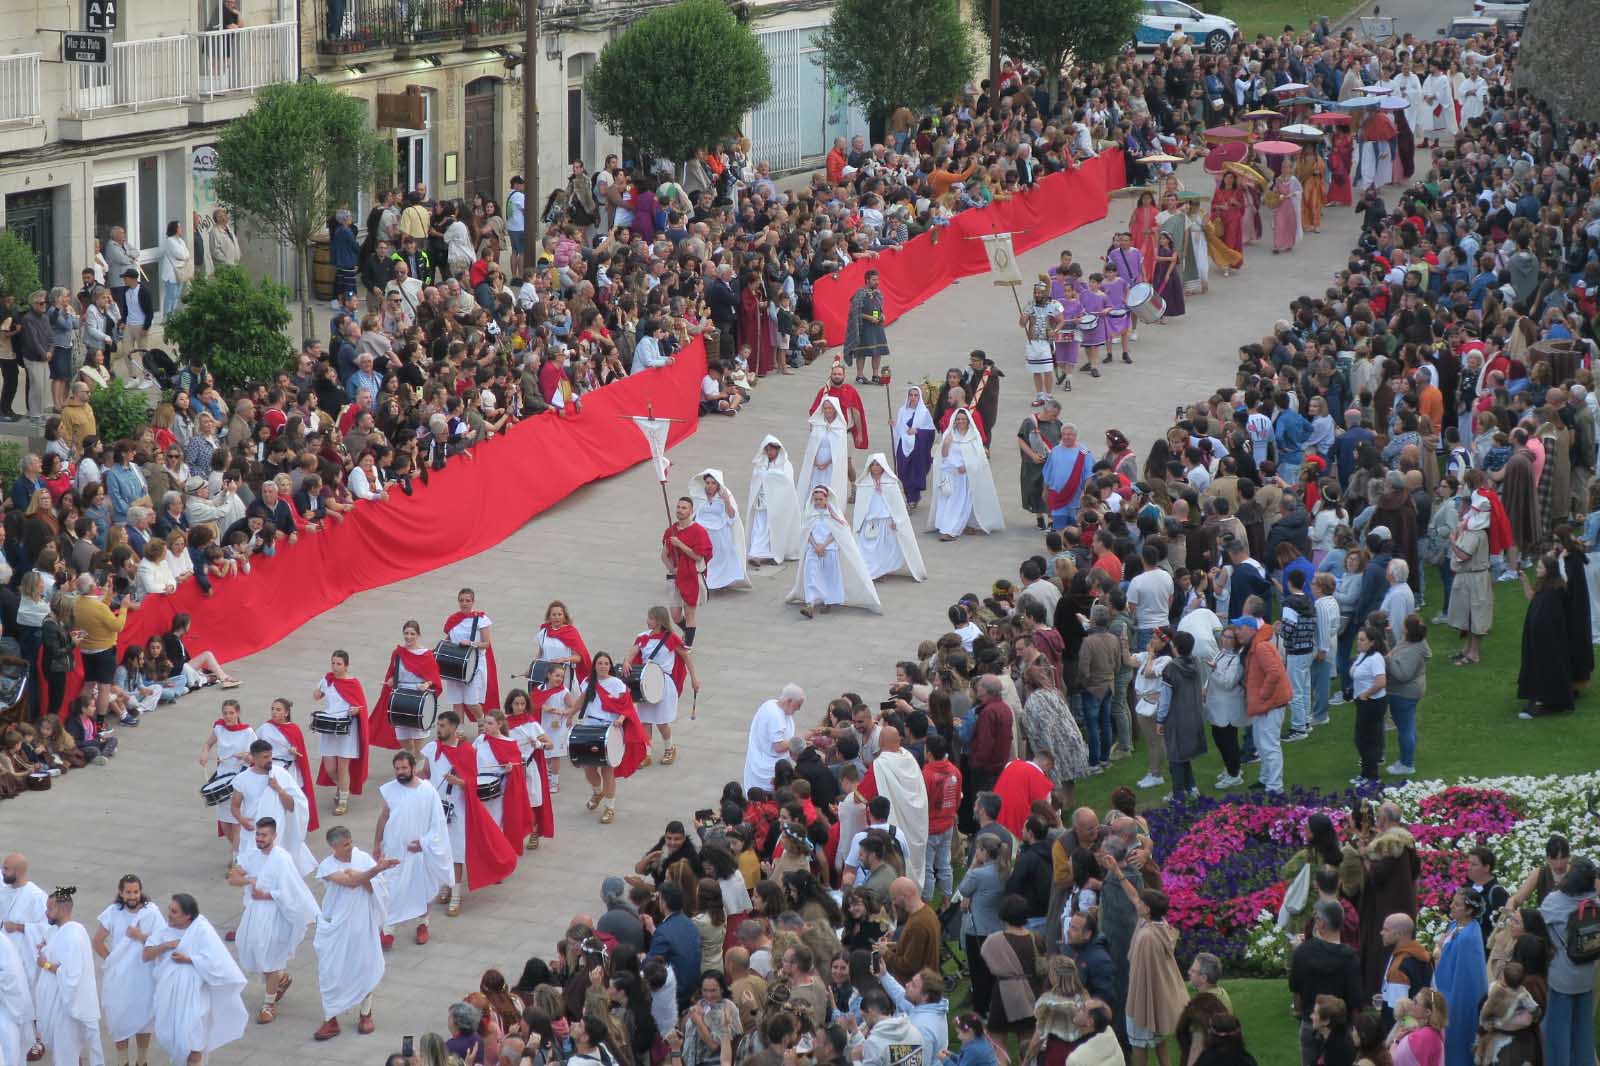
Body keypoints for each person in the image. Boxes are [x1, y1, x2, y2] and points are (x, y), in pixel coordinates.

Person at [312, 825, 398, 1040]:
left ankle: (366, 1014)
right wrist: (372, 872)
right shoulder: (327, 865)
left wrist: (365, 875)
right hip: (336, 926)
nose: (350, 848)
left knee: (365, 967)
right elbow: (350, 883)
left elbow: (373, 888)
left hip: (361, 925)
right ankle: (330, 1019)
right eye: (345, 845)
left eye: (350, 842)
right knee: (331, 971)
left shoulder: (362, 858)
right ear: (334, 847)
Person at [144, 893, 248, 1066]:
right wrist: (166, 945)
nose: (169, 914)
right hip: (169, 998)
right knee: (174, 1040)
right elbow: (146, 955)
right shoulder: (162, 931)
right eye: (170, 909)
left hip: (196, 998)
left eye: (174, 912)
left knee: (194, 1044)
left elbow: (218, 963)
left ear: (188, 916)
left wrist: (190, 959)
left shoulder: (202, 930)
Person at [373, 749, 452, 949]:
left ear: (413, 768)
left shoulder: (427, 791)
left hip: (419, 851)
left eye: (404, 768)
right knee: (392, 887)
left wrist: (425, 843)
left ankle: (422, 924)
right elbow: (384, 817)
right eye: (397, 768)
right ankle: (388, 929)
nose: (400, 772)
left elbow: (438, 823)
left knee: (423, 889)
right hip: (395, 849)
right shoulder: (390, 790)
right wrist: (377, 843)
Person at [569, 651, 649, 824]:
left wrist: (620, 720)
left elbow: (627, 707)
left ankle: (610, 807)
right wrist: (568, 715)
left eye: (606, 663)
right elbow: (580, 701)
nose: (603, 666)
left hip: (610, 729)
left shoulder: (617, 684)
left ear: (610, 666)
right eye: (600, 663)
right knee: (589, 769)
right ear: (595, 666)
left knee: (607, 771)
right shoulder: (587, 682)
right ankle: (598, 792)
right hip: (590, 727)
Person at [93, 874, 163, 1066]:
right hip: (119, 977)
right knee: (118, 1017)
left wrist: (139, 936)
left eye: (135, 892)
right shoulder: (113, 911)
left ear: (141, 892)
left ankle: (142, 1060)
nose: (132, 896)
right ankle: (122, 1061)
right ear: (121, 893)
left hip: (144, 974)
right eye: (128, 892)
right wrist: (113, 961)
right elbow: (97, 941)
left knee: (144, 1018)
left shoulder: (152, 913)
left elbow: (162, 942)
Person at [32, 885, 103, 1066]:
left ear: (63, 910)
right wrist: (45, 948)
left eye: (50, 909)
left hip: (67, 1008)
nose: (46, 913)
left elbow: (71, 974)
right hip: (59, 1005)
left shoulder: (73, 934)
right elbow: (51, 946)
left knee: (66, 1056)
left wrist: (45, 964)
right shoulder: (58, 930)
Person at [621, 605, 700, 767]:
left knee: (661, 721)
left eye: (650, 618)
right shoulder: (643, 637)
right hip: (645, 683)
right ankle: (646, 753)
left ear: (658, 620)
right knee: (645, 720)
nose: (647, 620)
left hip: (663, 682)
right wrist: (627, 662)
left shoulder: (671, 638)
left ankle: (669, 747)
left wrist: (694, 678)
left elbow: (686, 657)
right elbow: (633, 652)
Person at [1539, 857, 1598, 1066]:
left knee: (1558, 1035)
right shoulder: (1594, 900)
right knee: (1583, 1032)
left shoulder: (1554, 901)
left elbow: (1538, 926)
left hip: (1561, 977)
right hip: (1587, 975)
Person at [1289, 899, 1363, 1066]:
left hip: (1311, 1023)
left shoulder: (1302, 952)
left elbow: (1296, 992)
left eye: (1316, 919)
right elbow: (1356, 1000)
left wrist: (1301, 1014)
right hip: (1340, 1031)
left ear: (1321, 923)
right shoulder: (1350, 958)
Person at [789, 486, 882, 618]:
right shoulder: (810, 513)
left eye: (820, 499)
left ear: (827, 499)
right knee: (810, 574)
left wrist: (824, 546)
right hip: (813, 549)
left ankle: (829, 601)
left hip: (829, 549)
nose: (817, 502)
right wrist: (815, 546)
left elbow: (837, 532)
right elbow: (806, 533)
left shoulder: (834, 514)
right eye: (815, 500)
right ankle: (810, 603)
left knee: (829, 576)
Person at [230, 736, 316, 876]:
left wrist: (279, 789)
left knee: (277, 873)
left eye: (270, 756)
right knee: (254, 873)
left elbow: (293, 806)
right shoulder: (242, 780)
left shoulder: (281, 774)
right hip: (253, 832)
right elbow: (234, 806)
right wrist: (241, 820)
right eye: (265, 757)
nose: (269, 760)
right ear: (253, 758)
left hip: (277, 832)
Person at [368, 620, 445, 756]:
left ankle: (417, 763)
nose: (408, 637)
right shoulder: (398, 653)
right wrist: (391, 681)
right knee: (402, 738)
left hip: (418, 697)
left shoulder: (426, 655)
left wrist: (426, 684)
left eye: (412, 634)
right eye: (406, 633)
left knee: (418, 739)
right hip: (401, 698)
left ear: (418, 635)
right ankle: (412, 756)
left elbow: (434, 678)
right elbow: (393, 673)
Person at [929, 409, 1005, 541]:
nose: (960, 421)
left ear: (968, 421)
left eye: (963, 419)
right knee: (951, 503)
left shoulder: (973, 436)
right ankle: (948, 528)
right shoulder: (949, 434)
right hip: (951, 475)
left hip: (967, 476)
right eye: (958, 419)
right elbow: (943, 457)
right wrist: (946, 444)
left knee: (964, 503)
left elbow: (979, 457)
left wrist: (967, 466)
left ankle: (956, 528)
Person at [1431, 888, 1487, 1066]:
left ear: (1469, 910)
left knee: (1456, 1042)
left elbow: (1465, 979)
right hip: (1443, 986)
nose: (1452, 906)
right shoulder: (1454, 925)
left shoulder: (1468, 937)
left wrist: (1449, 1004)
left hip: (1456, 997)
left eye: (1457, 904)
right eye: (1452, 902)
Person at [312, 649, 371, 816]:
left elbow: (361, 707)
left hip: (346, 729)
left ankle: (343, 800)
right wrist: (319, 690)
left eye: (339, 664)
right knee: (330, 767)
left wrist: (355, 711)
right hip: (329, 727)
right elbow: (317, 696)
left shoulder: (353, 683)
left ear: (346, 666)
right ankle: (344, 788)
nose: (335, 667)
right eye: (333, 663)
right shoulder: (327, 680)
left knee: (343, 766)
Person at [1517, 553, 1576, 717]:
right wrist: (1525, 581)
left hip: (1549, 639)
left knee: (1546, 668)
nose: (1537, 569)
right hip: (1541, 637)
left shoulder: (1554, 590)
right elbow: (1533, 599)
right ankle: (1547, 699)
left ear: (1549, 570)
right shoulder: (1546, 585)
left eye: (1540, 567)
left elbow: (1552, 617)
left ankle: (1542, 702)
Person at [852, 455, 927, 581]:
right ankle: (871, 572)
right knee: (868, 549)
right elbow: (860, 507)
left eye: (878, 464)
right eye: (873, 464)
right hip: (870, 522)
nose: (875, 467)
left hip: (886, 520)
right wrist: (860, 522)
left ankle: (881, 571)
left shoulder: (890, 483)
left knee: (885, 549)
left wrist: (895, 519)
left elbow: (896, 505)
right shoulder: (864, 484)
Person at [662, 497, 713, 647]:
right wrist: (672, 569)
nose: (680, 510)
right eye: (678, 507)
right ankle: (687, 630)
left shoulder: (699, 532)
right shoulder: (671, 530)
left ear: (691, 511)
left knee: (690, 612)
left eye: (684, 508)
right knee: (675, 615)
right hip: (676, 577)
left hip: (692, 577)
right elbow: (664, 555)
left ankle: (688, 645)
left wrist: (680, 545)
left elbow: (698, 556)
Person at [442, 587, 498, 722]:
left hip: (474, 664)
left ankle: (482, 722)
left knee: (471, 701)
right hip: (455, 665)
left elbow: (486, 643)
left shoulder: (481, 619)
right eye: (461, 600)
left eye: (467, 600)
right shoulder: (453, 620)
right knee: (457, 701)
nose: (464, 603)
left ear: (473, 602)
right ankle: (459, 732)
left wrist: (471, 643)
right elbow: (448, 640)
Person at [746, 435, 803, 568]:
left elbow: (787, 483)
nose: (769, 453)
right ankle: (757, 554)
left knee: (772, 529)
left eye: (772, 450)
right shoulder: (761, 463)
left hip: (777, 503)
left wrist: (771, 477)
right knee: (759, 527)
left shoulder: (785, 465)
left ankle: (768, 554)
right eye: (767, 450)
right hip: (762, 502)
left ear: (778, 450)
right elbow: (756, 478)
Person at [690, 469, 750, 592]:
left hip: (720, 535)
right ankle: (706, 583)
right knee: (705, 561)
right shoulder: (699, 497)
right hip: (703, 535)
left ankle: (719, 583)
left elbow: (732, 517)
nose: (710, 486)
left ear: (718, 485)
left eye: (713, 483)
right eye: (707, 482)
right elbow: (693, 515)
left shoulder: (725, 496)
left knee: (720, 561)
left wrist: (726, 501)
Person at [742, 684, 805, 792]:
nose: (798, 709)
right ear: (789, 701)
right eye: (798, 705)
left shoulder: (770, 704)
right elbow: (778, 746)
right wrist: (799, 740)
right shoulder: (776, 717)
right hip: (768, 766)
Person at [800, 395, 853, 505]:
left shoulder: (840, 427)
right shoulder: (817, 424)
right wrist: (814, 461)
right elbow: (812, 446)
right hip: (817, 462)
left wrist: (827, 463)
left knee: (829, 483)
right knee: (815, 482)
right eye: (825, 408)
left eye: (830, 408)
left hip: (831, 463)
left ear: (835, 409)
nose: (828, 410)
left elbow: (840, 450)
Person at [1041, 423, 1093, 529]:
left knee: (1074, 528)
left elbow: (1089, 476)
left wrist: (1085, 493)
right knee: (1059, 527)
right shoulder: (1055, 451)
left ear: (1075, 436)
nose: (1066, 437)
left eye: (1069, 434)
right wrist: (1045, 490)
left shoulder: (1084, 452)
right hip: (1058, 496)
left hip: (1076, 498)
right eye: (1064, 434)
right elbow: (1048, 473)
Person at [1020, 279, 1064, 405]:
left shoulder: (1054, 304)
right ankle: (1040, 396)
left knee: (1047, 369)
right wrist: (1023, 320)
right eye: (1035, 292)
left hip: (1046, 342)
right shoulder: (1030, 305)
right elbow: (1022, 324)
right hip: (1032, 342)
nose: (1037, 295)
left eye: (1039, 293)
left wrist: (1055, 330)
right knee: (1036, 370)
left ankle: (1048, 396)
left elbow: (1061, 320)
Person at [893, 386, 936, 510]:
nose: (913, 398)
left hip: (917, 446)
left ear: (919, 397)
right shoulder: (902, 411)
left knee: (914, 472)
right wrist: (894, 425)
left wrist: (918, 431)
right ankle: (909, 497)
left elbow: (930, 431)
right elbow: (900, 428)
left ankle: (912, 499)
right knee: (903, 471)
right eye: (910, 395)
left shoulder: (924, 412)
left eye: (915, 395)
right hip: (903, 444)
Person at [844, 269, 890, 384]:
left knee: (878, 351)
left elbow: (876, 309)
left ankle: (875, 375)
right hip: (863, 327)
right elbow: (855, 312)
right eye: (874, 280)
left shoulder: (877, 294)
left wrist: (880, 316)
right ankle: (860, 376)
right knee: (861, 352)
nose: (877, 282)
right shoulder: (860, 294)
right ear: (867, 280)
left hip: (876, 327)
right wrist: (869, 318)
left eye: (877, 279)